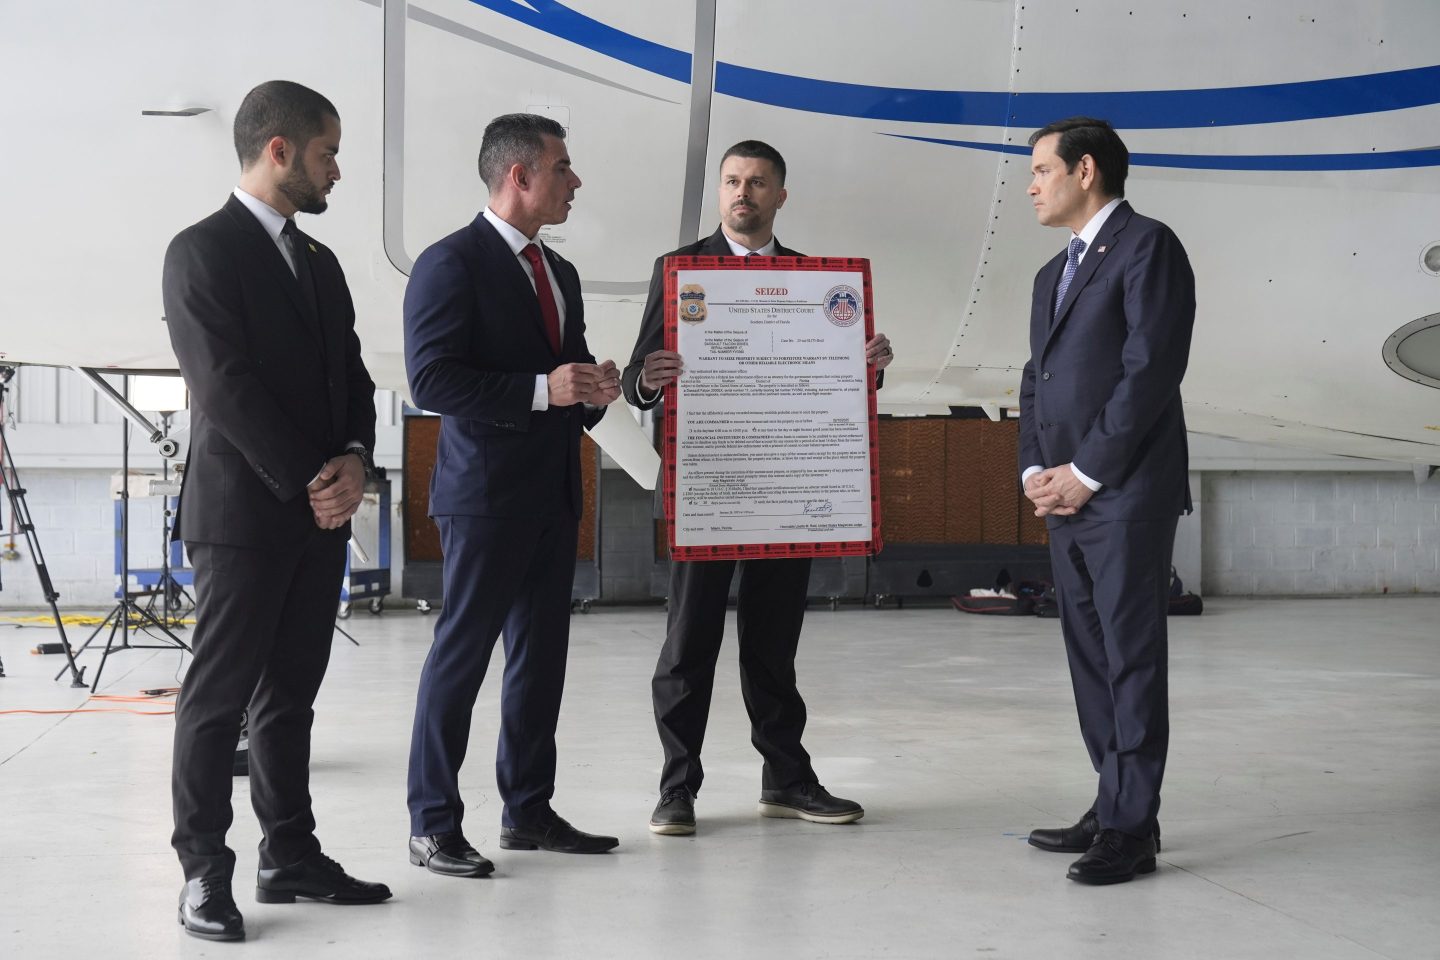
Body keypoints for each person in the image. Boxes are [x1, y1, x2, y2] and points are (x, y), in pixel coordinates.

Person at [162, 80, 389, 942]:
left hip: (316, 515)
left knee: (290, 696)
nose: (337, 169)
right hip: (244, 517)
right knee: (217, 703)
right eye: (328, 151)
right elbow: (223, 387)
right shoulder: (202, 251)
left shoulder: (321, 263)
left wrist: (357, 461)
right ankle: (202, 873)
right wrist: (311, 477)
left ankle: (288, 855)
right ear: (282, 150)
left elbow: (356, 382)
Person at [621, 140, 894, 837]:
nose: (743, 193)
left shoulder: (816, 282)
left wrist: (866, 363)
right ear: (721, 193)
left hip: (786, 491)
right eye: (733, 182)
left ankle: (788, 781)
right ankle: (677, 789)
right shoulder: (680, 271)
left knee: (774, 649)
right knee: (689, 647)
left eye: (758, 183)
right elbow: (633, 379)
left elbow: (834, 386)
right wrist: (649, 378)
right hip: (709, 490)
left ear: (780, 196)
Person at [404, 113, 622, 876]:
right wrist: (543, 389)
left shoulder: (557, 273)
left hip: (553, 492)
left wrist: (600, 388)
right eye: (563, 167)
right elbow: (431, 380)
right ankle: (432, 823)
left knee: (539, 661)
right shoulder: (449, 263)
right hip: (485, 496)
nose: (575, 181)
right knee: (460, 660)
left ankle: (527, 811)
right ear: (520, 175)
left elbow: (572, 384)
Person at [1017, 116, 1196, 885]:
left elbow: (1150, 371)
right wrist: (1034, 471)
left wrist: (1085, 472)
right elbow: (1038, 380)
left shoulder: (1148, 246)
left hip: (1123, 493)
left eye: (1040, 170)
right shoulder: (1049, 274)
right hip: (1065, 495)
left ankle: (1131, 829)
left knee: (1130, 660)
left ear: (1085, 171)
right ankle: (1115, 801)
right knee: (1091, 659)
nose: (1030, 185)